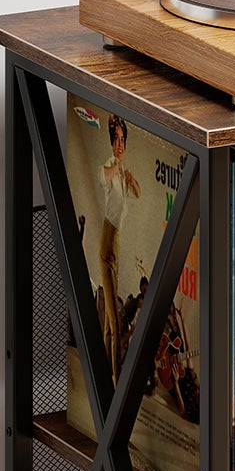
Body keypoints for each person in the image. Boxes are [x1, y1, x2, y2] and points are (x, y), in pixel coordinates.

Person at [98, 116, 140, 376]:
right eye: (116, 139)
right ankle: (114, 381)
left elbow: (137, 194)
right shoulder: (109, 166)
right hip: (107, 248)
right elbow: (103, 178)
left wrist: (132, 180)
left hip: (117, 247)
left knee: (107, 327)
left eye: (123, 139)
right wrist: (119, 168)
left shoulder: (123, 173)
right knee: (115, 327)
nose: (120, 144)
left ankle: (102, 374)